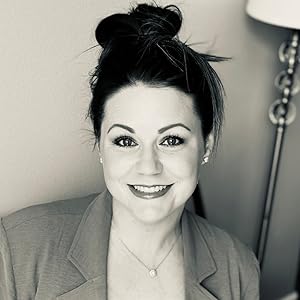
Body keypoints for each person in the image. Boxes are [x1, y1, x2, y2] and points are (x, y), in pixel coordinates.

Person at [0, 3, 260, 300]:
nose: (148, 167)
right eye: (125, 141)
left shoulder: (239, 268)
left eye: (171, 140)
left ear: (206, 146)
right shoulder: (18, 248)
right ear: (100, 144)